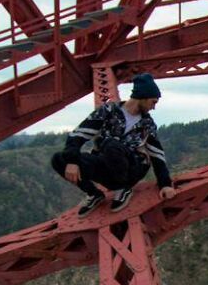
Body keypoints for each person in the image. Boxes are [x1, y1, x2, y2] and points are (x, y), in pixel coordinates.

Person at [51, 72, 176, 217]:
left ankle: (123, 189)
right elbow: (78, 135)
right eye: (153, 102)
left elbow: (157, 156)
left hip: (131, 169)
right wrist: (72, 161)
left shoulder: (147, 124)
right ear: (142, 97)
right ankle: (94, 194)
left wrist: (165, 184)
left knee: (111, 145)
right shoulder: (108, 111)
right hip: (107, 167)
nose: (153, 107)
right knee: (59, 159)